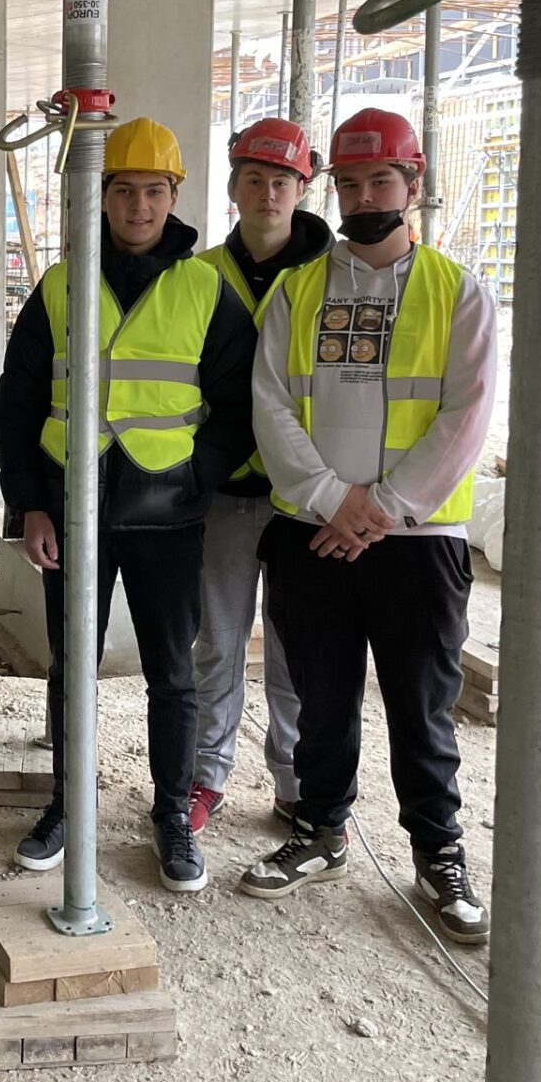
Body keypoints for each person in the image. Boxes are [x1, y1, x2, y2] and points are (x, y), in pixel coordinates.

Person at [240, 107, 497, 949]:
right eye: (348, 185)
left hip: (417, 541)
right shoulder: (296, 291)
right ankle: (320, 828)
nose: (363, 198)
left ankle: (438, 851)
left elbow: (466, 417)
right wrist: (330, 499)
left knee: (423, 705)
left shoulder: (458, 292)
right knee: (322, 696)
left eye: (380, 181)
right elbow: (271, 404)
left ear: (414, 185)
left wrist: (381, 508)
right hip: (313, 532)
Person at [0, 116, 256, 894]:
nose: (139, 206)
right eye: (124, 191)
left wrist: (197, 474)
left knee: (172, 673)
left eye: (154, 191)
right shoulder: (61, 285)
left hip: (169, 518)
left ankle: (171, 814)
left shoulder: (205, 287)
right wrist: (29, 506)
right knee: (71, 667)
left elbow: (240, 404)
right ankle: (67, 805)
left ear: (174, 196)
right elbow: (17, 404)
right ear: (101, 197)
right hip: (71, 515)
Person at [187, 118, 332, 833]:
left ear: (303, 188)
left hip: (306, 495)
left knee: (293, 648)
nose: (268, 193)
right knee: (218, 642)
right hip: (225, 491)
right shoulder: (200, 274)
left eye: (282, 180)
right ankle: (204, 777)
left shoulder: (332, 278)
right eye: (255, 179)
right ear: (234, 187)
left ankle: (296, 783)